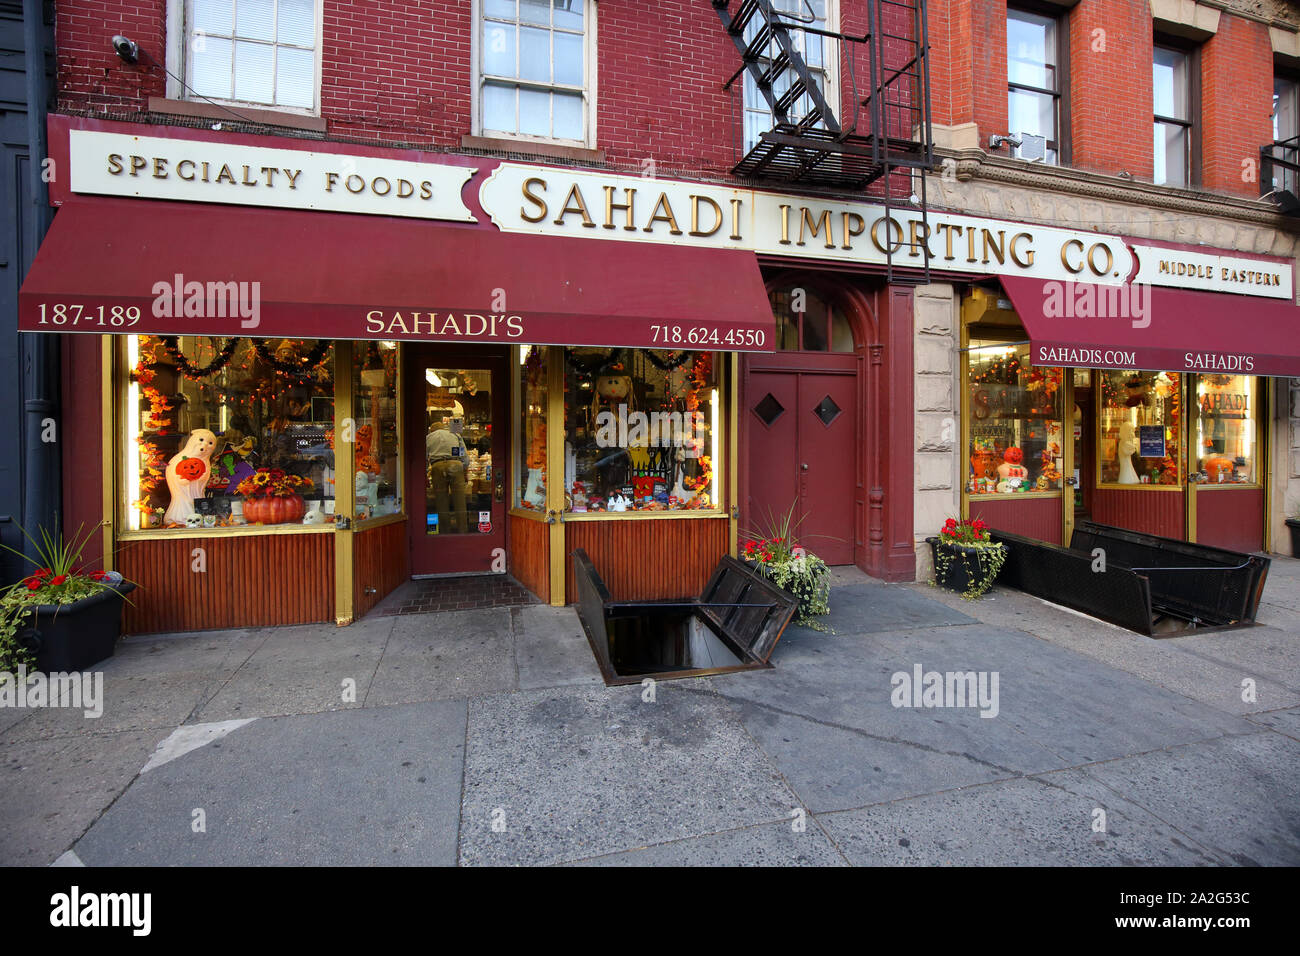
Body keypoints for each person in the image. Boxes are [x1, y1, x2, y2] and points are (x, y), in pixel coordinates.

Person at [426, 417, 468, 533]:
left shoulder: (429, 437)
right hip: (455, 464)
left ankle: (445, 532)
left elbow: (424, 457)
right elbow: (463, 454)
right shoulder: (454, 434)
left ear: (432, 430)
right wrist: (464, 469)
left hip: (437, 466)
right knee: (460, 501)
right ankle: (463, 531)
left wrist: (425, 473)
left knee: (441, 502)